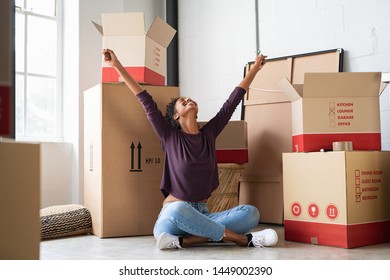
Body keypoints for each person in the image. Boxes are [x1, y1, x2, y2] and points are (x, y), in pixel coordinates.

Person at [102, 49, 278, 249]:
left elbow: (232, 102)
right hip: (173, 218)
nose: (188, 100)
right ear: (176, 116)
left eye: (189, 99)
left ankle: (187, 241)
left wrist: (254, 69)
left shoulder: (209, 135)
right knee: (177, 210)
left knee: (251, 213)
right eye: (182, 102)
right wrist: (116, 65)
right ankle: (243, 240)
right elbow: (145, 100)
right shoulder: (169, 137)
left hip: (202, 215)